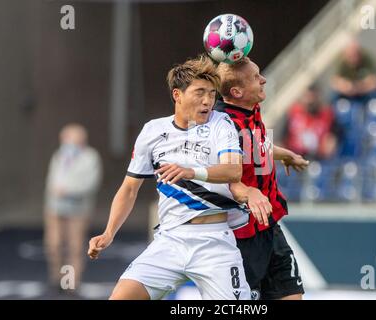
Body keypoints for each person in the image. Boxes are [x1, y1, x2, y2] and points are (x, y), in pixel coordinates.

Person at [87, 55, 251, 300]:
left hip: (214, 241)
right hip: (170, 239)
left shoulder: (221, 123)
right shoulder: (153, 131)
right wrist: (109, 232)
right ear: (177, 95)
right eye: (199, 93)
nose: (208, 101)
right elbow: (130, 189)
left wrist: (191, 171)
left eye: (212, 93)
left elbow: (233, 171)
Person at [215, 57, 309, 300]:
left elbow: (254, 146)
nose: (263, 80)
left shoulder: (251, 109)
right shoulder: (222, 126)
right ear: (236, 92)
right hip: (242, 234)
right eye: (256, 78)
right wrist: (249, 193)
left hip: (268, 224)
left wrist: (284, 154)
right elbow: (225, 177)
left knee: (292, 294)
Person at [44, 123, 102, 295]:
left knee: (73, 246)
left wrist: (68, 191)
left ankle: (69, 283)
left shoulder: (91, 157)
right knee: (53, 244)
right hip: (54, 206)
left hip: (78, 208)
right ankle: (56, 278)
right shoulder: (59, 155)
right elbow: (52, 178)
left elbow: (90, 183)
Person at [283, 85, 340, 160]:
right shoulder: (294, 112)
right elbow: (284, 136)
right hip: (295, 154)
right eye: (307, 97)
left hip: (318, 156)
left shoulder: (327, 114)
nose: (310, 101)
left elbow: (334, 135)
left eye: (313, 98)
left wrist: (331, 141)